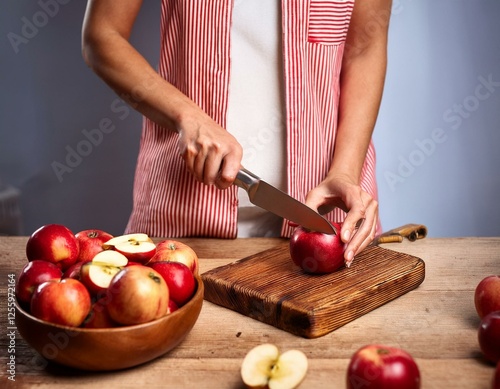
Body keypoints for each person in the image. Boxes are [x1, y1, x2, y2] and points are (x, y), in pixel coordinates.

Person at [82, 0, 392, 267]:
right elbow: (102, 35)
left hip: (336, 223)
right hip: (183, 227)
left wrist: (347, 171)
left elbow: (364, 47)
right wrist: (187, 116)